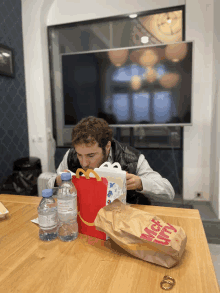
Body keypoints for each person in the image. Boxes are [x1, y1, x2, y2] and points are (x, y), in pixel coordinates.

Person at [47, 116, 175, 204]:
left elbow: (169, 192)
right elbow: (49, 185)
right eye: (80, 155)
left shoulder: (133, 159)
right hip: (85, 218)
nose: (84, 163)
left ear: (107, 146)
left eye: (91, 156)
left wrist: (141, 183)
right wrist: (56, 182)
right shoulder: (71, 154)